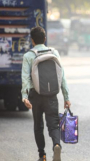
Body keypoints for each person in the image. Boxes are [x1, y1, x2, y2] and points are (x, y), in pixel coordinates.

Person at [21, 26, 71, 161]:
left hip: (35, 96)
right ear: (45, 39)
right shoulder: (54, 53)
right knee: (53, 124)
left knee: (38, 126)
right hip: (52, 95)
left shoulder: (28, 56)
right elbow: (62, 76)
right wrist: (66, 97)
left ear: (32, 41)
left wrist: (25, 97)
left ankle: (42, 155)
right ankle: (56, 144)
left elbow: (25, 78)